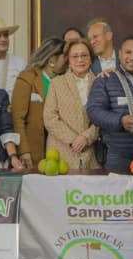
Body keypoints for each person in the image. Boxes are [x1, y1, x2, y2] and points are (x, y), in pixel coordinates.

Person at [87, 36, 133, 170]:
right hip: (117, 155)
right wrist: (120, 120)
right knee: (116, 191)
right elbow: (94, 111)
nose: (132, 57)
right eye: (128, 52)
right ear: (120, 54)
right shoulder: (104, 80)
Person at [43, 39, 101, 171]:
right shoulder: (57, 83)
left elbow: (103, 116)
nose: (80, 60)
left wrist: (86, 138)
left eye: (84, 55)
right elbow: (49, 118)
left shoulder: (100, 82)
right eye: (75, 56)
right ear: (68, 60)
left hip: (90, 152)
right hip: (61, 152)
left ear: (91, 59)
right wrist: (74, 139)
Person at [11, 38, 67, 169]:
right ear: (52, 60)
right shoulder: (27, 77)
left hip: (61, 150)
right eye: (65, 56)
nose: (68, 60)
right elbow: (17, 117)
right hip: (34, 151)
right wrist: (24, 150)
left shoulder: (65, 80)